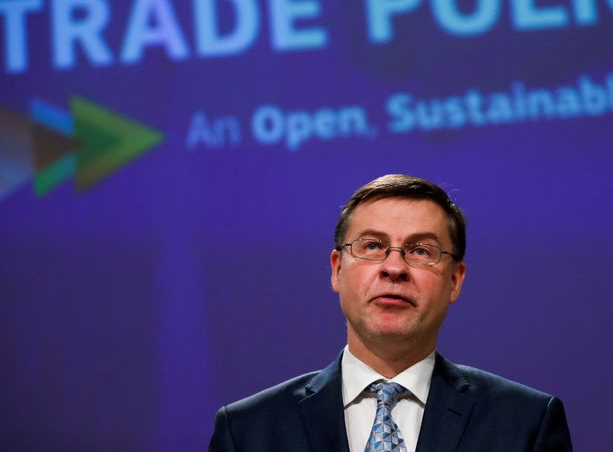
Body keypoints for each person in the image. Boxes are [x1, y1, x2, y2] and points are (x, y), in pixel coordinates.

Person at [209, 174, 573, 451]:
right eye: (372, 246)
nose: (394, 267)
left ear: (455, 280)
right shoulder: (247, 431)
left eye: (420, 251)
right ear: (337, 270)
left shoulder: (526, 424)